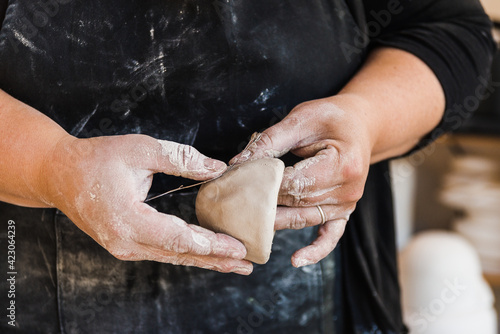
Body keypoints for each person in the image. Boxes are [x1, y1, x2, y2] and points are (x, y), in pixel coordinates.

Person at [0, 0, 495, 333]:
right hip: (37, 281)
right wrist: (50, 165)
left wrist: (366, 119)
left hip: (312, 290)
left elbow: (449, 32)